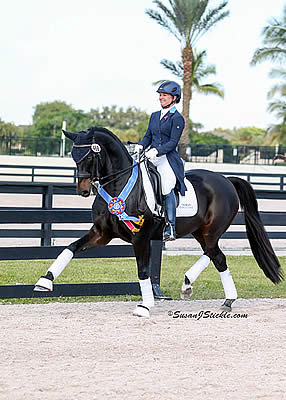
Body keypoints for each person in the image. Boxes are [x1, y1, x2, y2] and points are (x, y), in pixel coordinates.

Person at [135, 81, 187, 241]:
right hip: (150, 155)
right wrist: (140, 146)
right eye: (160, 95)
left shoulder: (177, 118)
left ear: (174, 97)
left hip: (167, 159)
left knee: (166, 186)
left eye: (164, 95)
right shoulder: (154, 116)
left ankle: (170, 226)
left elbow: (172, 143)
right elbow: (148, 136)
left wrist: (157, 151)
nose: (161, 98)